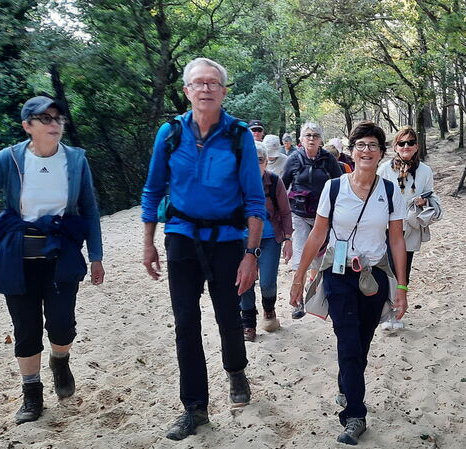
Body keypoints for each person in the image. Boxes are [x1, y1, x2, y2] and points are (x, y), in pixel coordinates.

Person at [0, 95, 105, 424]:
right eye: (45, 118)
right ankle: (32, 393)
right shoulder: (11, 158)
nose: (54, 124)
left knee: (62, 326)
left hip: (61, 255)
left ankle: (60, 361)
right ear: (27, 126)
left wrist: (96, 256)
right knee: (26, 330)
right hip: (16, 258)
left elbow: (89, 209)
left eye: (58, 118)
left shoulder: (75, 160)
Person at [140, 57, 266, 441]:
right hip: (181, 236)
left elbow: (254, 200)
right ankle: (194, 407)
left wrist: (251, 254)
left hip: (227, 240)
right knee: (185, 322)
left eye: (213, 83)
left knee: (229, 315)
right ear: (187, 91)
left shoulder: (238, 136)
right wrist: (148, 242)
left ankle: (236, 370)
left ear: (224, 91)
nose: (206, 88)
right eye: (199, 83)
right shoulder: (170, 133)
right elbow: (152, 189)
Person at [289, 121, 408, 445]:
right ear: (351, 151)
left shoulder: (390, 191)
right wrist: (299, 278)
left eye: (373, 145)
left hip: (375, 276)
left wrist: (401, 287)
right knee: (349, 342)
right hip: (338, 274)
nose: (366, 151)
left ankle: (347, 384)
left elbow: (397, 240)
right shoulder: (334, 188)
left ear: (381, 153)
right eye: (361, 145)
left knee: (362, 343)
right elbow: (317, 234)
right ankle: (355, 415)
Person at [281, 122, 343, 317]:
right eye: (308, 135)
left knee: (319, 259)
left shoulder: (328, 160)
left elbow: (340, 185)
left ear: (321, 140)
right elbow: (282, 186)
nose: (311, 139)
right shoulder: (293, 159)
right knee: (300, 256)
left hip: (323, 217)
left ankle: (313, 292)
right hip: (299, 214)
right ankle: (297, 301)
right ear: (301, 138)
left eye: (315, 136)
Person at [377, 126, 436, 330]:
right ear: (395, 146)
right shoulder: (385, 169)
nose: (406, 146)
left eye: (410, 143)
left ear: (416, 146)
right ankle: (385, 312)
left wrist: (424, 202)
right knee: (386, 268)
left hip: (409, 227)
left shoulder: (425, 171)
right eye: (401, 143)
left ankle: (396, 312)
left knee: (403, 270)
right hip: (386, 227)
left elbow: (430, 194)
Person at [240, 143, 294, 341]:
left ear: (266, 162)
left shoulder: (274, 181)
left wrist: (288, 239)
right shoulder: (235, 182)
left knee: (267, 282)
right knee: (244, 281)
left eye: (260, 160)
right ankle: (248, 323)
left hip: (270, 238)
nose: (255, 165)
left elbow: (286, 212)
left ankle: (269, 309)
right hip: (242, 239)